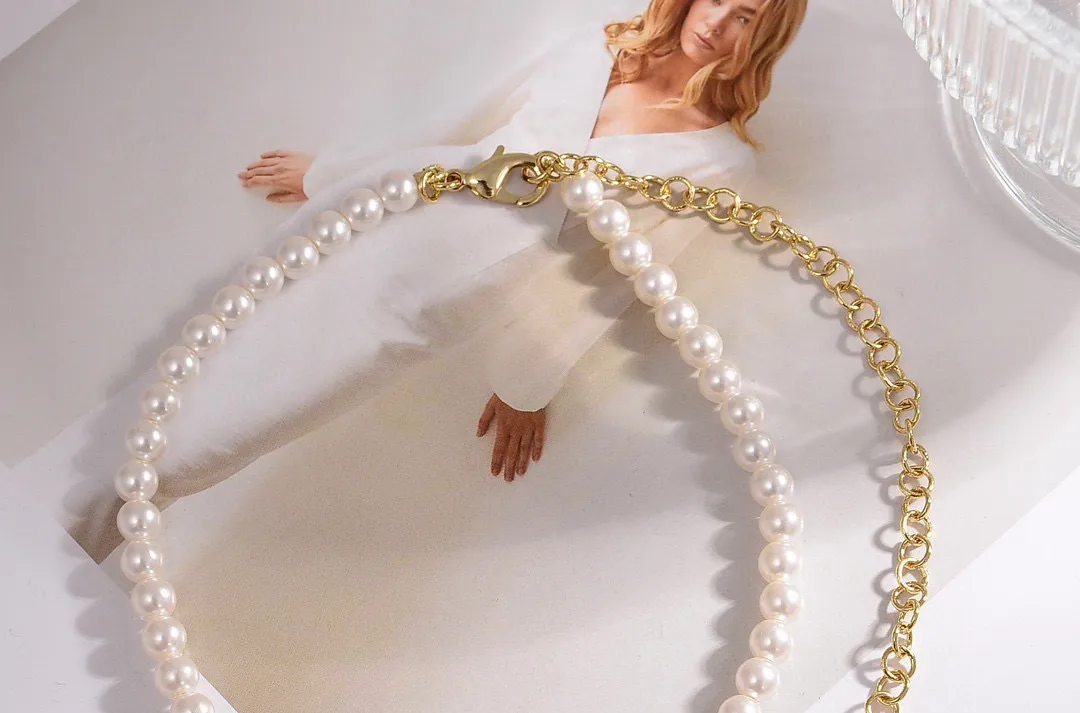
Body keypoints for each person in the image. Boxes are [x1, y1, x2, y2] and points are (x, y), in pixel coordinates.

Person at [228, 1, 804, 486]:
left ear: (766, 37)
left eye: (745, 17)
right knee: (233, 331)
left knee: (261, 413)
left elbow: (614, 275)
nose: (717, 23)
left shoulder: (719, 161)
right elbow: (461, 120)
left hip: (446, 297)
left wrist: (526, 382)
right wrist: (330, 174)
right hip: (389, 211)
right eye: (716, 0)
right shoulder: (598, 47)